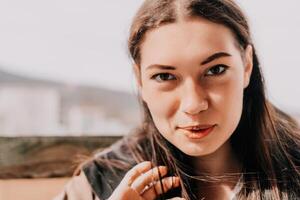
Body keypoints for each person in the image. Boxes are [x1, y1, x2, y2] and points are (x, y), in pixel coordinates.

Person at [54, 0, 300, 199]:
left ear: (246, 65)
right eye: (164, 76)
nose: (193, 104)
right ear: (140, 80)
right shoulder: (101, 182)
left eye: (215, 70)